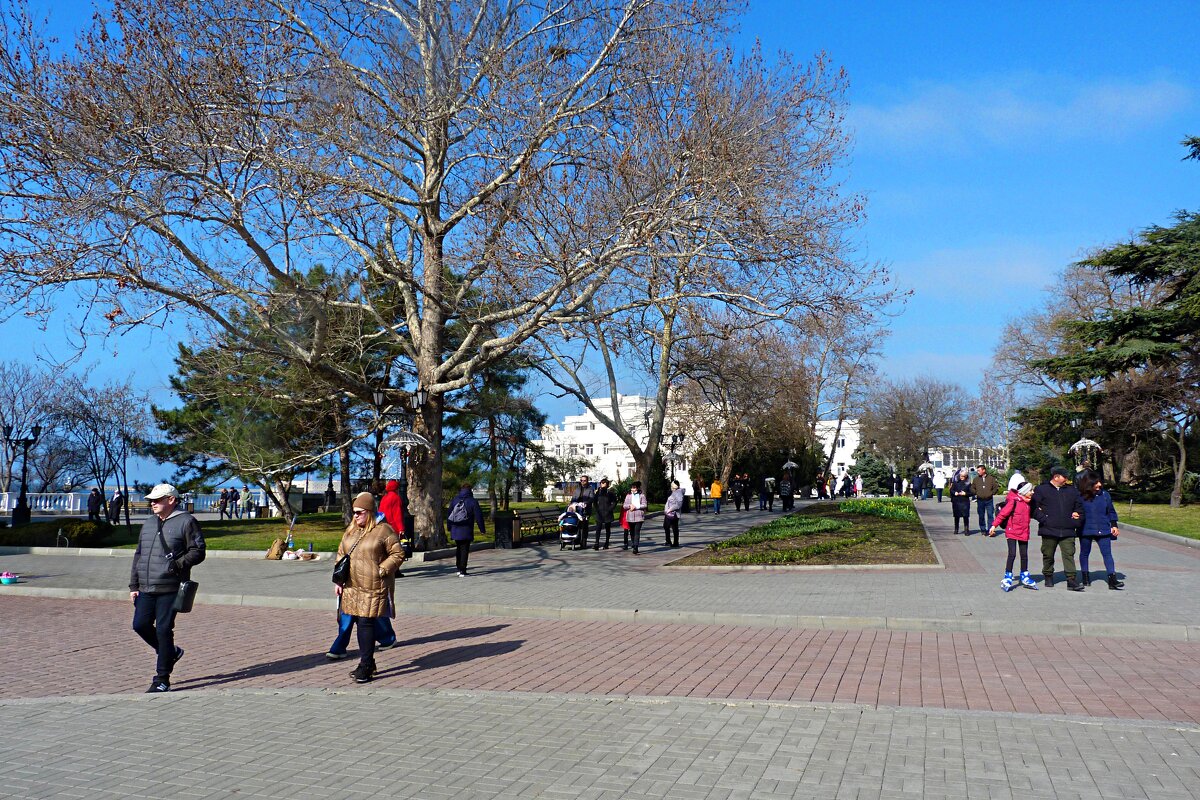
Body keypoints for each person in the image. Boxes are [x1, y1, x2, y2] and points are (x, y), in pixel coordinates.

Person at [129, 483, 206, 693]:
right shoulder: (149, 523)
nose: (152, 503)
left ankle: (162, 679)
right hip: (146, 586)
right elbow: (139, 554)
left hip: (171, 587)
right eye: (151, 500)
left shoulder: (187, 521)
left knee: (163, 630)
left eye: (157, 499)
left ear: (171, 500)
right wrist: (133, 585)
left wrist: (177, 564)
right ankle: (170, 652)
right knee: (140, 625)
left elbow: (198, 551)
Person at [334, 491, 404, 683]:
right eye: (354, 512)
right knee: (358, 621)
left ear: (370, 511)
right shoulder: (351, 530)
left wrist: (382, 570)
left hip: (373, 585)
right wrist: (338, 581)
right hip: (351, 585)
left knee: (366, 623)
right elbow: (341, 554)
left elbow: (398, 554)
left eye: (360, 512)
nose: (356, 516)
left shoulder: (384, 530)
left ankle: (365, 664)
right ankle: (368, 662)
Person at [1032, 466, 1084, 591]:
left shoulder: (1072, 491)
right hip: (1049, 529)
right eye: (1064, 477)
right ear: (1056, 477)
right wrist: (1044, 519)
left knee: (1069, 554)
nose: (1066, 479)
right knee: (1048, 554)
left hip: (1068, 529)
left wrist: (1076, 519)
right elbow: (1033, 508)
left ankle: (1071, 579)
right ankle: (1048, 575)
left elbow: (1079, 507)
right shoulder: (1041, 490)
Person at [1077, 470, 1123, 590]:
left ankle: (1112, 580)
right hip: (1085, 529)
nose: (1099, 485)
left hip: (1103, 529)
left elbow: (1111, 511)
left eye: (1099, 482)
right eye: (1096, 483)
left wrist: (1114, 525)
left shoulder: (1105, 495)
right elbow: (1075, 510)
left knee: (1107, 554)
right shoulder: (1081, 496)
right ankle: (1085, 576)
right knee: (1084, 553)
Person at [988, 481, 1038, 591]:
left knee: (1024, 554)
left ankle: (1024, 574)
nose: (1032, 492)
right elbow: (1003, 514)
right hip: (1012, 531)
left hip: (1024, 531)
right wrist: (993, 526)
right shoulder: (1014, 501)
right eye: (1030, 490)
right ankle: (1008, 576)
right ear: (1024, 492)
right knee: (1012, 554)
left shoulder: (1029, 502)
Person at [446, 483, 485, 576]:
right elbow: (478, 516)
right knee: (464, 549)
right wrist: (482, 529)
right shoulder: (473, 501)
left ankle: (458, 568)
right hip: (466, 528)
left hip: (455, 528)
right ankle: (463, 570)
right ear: (470, 490)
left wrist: (449, 527)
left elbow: (449, 514)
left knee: (458, 548)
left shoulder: (455, 500)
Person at [969, 465, 1001, 535]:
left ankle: (990, 530)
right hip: (980, 500)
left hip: (989, 500)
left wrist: (991, 493)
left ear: (984, 470)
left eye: (979, 470)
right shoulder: (976, 479)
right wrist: (976, 493)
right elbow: (972, 488)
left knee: (990, 515)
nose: (978, 472)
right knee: (981, 515)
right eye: (977, 470)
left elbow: (995, 487)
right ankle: (983, 529)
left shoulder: (991, 478)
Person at [569, 475, 597, 549]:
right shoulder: (577, 489)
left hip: (585, 510)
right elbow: (573, 498)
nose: (583, 482)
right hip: (577, 509)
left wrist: (586, 503)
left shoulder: (590, 489)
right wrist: (572, 504)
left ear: (587, 481)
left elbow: (592, 498)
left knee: (584, 526)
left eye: (584, 480)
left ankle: (583, 543)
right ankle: (576, 540)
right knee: (577, 525)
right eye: (581, 480)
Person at [622, 481, 648, 553]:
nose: (632, 489)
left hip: (639, 516)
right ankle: (633, 543)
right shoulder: (628, 496)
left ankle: (636, 547)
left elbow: (645, 505)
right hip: (630, 517)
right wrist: (630, 506)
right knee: (632, 532)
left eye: (634, 488)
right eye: (632, 488)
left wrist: (636, 507)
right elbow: (624, 505)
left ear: (638, 488)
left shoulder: (642, 495)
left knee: (637, 532)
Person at [592, 478, 617, 549]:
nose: (602, 485)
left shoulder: (610, 493)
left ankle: (606, 543)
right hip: (599, 513)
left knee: (607, 529)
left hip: (607, 513)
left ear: (607, 485)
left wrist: (610, 509)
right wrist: (597, 509)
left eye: (604, 483)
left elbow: (614, 502)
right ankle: (596, 543)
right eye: (601, 483)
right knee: (598, 528)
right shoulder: (598, 493)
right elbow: (594, 501)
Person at [662, 480, 685, 547]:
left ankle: (675, 542)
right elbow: (668, 501)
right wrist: (666, 510)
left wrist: (670, 509)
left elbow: (678, 504)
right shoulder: (673, 492)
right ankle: (668, 541)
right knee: (666, 526)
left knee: (674, 527)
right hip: (668, 513)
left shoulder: (679, 493)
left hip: (674, 513)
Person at [949, 469, 972, 534]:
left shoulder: (968, 483)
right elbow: (951, 490)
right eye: (961, 476)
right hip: (956, 501)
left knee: (966, 516)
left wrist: (966, 493)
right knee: (956, 516)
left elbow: (972, 492)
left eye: (964, 476)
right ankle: (956, 529)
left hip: (965, 501)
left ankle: (966, 529)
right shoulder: (955, 482)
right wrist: (954, 492)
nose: (962, 478)